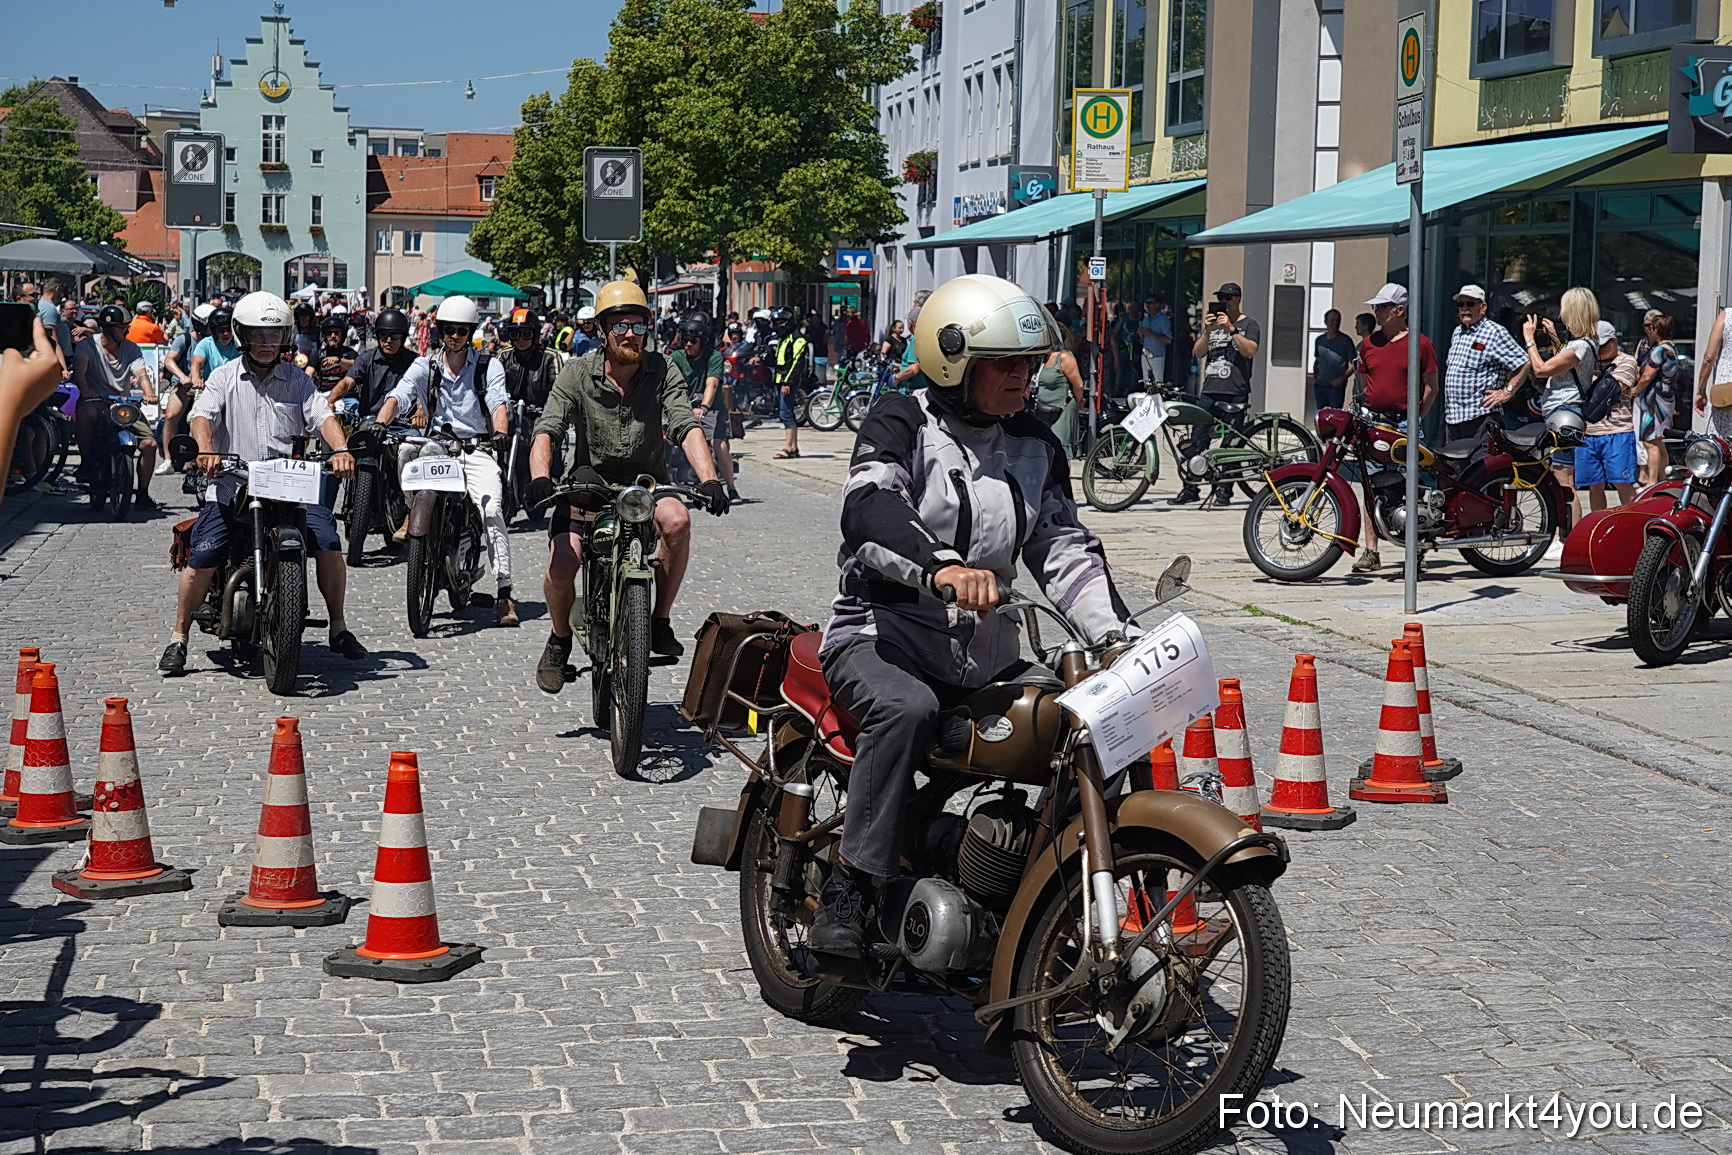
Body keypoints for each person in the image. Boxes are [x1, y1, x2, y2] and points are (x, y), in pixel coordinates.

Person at [808, 273, 1136, 957]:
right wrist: (942, 570)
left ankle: (1032, 890)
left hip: (985, 655)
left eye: (1030, 361)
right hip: (883, 637)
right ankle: (850, 883)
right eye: (1006, 365)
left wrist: (1114, 634)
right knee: (906, 710)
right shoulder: (901, 419)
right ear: (955, 363)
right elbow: (869, 509)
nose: (1026, 376)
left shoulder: (1035, 444)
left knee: (1080, 721)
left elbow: (1062, 545)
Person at [523, 279, 730, 690]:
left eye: (637, 324)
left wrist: (710, 479)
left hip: (645, 484)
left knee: (677, 522)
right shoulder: (577, 371)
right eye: (619, 326)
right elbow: (548, 428)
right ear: (603, 331)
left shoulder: (662, 368)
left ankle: (659, 620)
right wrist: (540, 478)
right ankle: (560, 639)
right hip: (588, 486)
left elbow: (684, 424)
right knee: (563, 565)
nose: (630, 333)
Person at [159, 292, 365, 675]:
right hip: (233, 482)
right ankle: (178, 636)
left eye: (275, 335)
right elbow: (201, 417)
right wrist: (206, 450)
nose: (267, 343)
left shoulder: (299, 382)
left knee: (329, 544)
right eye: (259, 335)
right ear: (242, 336)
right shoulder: (223, 378)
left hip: (290, 484)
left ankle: (338, 626)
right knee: (203, 554)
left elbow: (323, 416)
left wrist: (340, 449)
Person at [371, 295, 519, 627]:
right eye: (449, 330)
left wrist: (499, 432)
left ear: (471, 333)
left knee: (492, 510)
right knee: (407, 451)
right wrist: (380, 424)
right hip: (437, 446)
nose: (454, 336)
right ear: (440, 331)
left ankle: (504, 591)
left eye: (461, 331)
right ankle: (415, 515)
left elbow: (497, 402)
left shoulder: (487, 366)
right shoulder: (426, 364)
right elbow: (401, 393)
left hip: (475, 448)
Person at [1351, 283, 1439, 573]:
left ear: (1400, 310)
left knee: (1411, 486)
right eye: (1376, 307)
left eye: (1383, 307)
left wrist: (1415, 418)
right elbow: (1366, 386)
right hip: (1375, 422)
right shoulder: (1368, 344)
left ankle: (1415, 551)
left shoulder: (1420, 344)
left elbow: (1431, 387)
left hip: (1405, 423)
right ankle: (1371, 551)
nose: (1377, 311)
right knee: (1370, 485)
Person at [1524, 286, 1603, 550]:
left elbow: (1542, 369)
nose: (1562, 314)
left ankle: (1567, 539)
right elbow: (1568, 367)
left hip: (1565, 412)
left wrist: (1530, 341)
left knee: (1563, 477)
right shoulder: (1581, 344)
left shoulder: (1581, 345)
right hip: (1561, 411)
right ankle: (1565, 537)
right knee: (1559, 475)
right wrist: (1555, 340)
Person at [1172, 282, 1261, 508]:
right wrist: (1206, 331)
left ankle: (1224, 492)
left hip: (1235, 392)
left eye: (1229, 297)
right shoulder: (1213, 327)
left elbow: (1250, 351)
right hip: (1210, 391)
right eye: (1221, 297)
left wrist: (1232, 329)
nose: (1225, 301)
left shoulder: (1249, 324)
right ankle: (1191, 487)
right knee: (1197, 440)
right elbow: (1198, 352)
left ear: (1238, 298)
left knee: (1230, 446)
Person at [71, 304, 160, 511]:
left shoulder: (131, 348)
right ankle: (86, 462)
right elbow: (80, 371)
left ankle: (143, 493)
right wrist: (85, 390)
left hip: (123, 403)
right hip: (96, 400)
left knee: (150, 445)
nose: (127, 331)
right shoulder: (88, 346)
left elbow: (141, 373)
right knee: (84, 415)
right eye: (122, 328)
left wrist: (148, 392)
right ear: (109, 329)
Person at [1444, 284, 1531, 444]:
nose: (1464, 309)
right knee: (1453, 468)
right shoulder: (1458, 332)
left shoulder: (1494, 332)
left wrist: (1507, 392)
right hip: (1453, 419)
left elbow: (1523, 362)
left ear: (1483, 307)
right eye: (1461, 304)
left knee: (1479, 467)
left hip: (1480, 418)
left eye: (1470, 304)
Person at [673, 313, 738, 500]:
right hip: (684, 405)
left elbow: (712, 384)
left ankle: (731, 488)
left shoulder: (714, 357)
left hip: (712, 408)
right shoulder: (677, 357)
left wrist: (704, 406)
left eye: (693, 341)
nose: (688, 345)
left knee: (718, 444)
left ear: (702, 341)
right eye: (685, 341)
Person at [1577, 321, 1639, 513]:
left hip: (1617, 432)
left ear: (1614, 340)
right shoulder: (1586, 361)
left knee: (1623, 483)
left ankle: (1633, 525)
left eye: (1603, 345)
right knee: (1594, 486)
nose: (1599, 351)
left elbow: (1608, 392)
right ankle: (1598, 527)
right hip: (1588, 434)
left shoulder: (1627, 361)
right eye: (1595, 346)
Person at [157, 303, 215, 473]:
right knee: (171, 415)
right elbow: (169, 360)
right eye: (208, 326)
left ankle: (195, 458)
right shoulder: (185, 339)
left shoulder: (215, 341)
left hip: (207, 385)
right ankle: (168, 459)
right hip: (185, 385)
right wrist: (182, 377)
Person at [1633, 312, 1679, 487]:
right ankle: (1662, 479)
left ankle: (1651, 482)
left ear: (1656, 330)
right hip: (1665, 399)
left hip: (1654, 401)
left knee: (1650, 441)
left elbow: (1646, 377)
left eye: (1651, 328)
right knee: (1659, 441)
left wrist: (1635, 391)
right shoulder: (1672, 348)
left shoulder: (1660, 350)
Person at [1032, 320, 1086, 458]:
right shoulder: (1043, 358)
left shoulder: (1065, 358)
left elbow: (1078, 385)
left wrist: (1076, 401)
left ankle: (1061, 479)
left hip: (1063, 410)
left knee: (1060, 451)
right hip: (1043, 410)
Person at [770, 304, 808, 460]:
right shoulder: (783, 337)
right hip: (779, 379)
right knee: (784, 412)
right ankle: (793, 447)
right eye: (776, 322)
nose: (778, 325)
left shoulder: (798, 339)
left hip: (787, 381)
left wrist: (788, 382)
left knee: (786, 413)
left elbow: (796, 363)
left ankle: (789, 447)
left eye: (780, 322)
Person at [1311, 308, 1355, 413]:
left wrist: (1342, 379)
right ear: (1326, 322)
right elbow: (1317, 361)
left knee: (1335, 416)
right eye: (1332, 320)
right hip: (1320, 385)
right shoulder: (1319, 340)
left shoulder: (1345, 340)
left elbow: (1353, 364)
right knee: (1321, 415)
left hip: (1335, 387)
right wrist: (1314, 378)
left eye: (1337, 320)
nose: (1335, 323)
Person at [189, 307, 239, 393]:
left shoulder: (239, 344)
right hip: (211, 389)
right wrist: (196, 378)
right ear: (214, 331)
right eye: (220, 330)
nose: (225, 333)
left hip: (236, 389)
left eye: (229, 329)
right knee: (199, 406)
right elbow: (196, 363)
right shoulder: (205, 344)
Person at [32, 280, 72, 370]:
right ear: (57, 289)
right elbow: (52, 339)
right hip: (59, 360)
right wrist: (63, 367)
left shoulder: (45, 305)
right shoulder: (48, 307)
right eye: (61, 291)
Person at [311, 315, 356, 393]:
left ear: (342, 335)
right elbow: (308, 374)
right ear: (325, 335)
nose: (333, 336)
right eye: (329, 333)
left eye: (336, 333)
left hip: (347, 395)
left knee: (355, 404)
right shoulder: (319, 354)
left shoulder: (350, 353)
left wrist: (339, 360)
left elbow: (355, 366)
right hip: (325, 394)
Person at [1139, 296, 1173, 391]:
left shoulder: (1163, 321)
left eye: (1150, 303)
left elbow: (1169, 340)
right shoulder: (1145, 320)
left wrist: (1151, 334)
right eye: (1146, 303)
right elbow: (1143, 340)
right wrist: (1141, 335)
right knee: (1146, 384)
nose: (1147, 305)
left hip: (1157, 356)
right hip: (1145, 355)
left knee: (1157, 385)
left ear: (1157, 305)